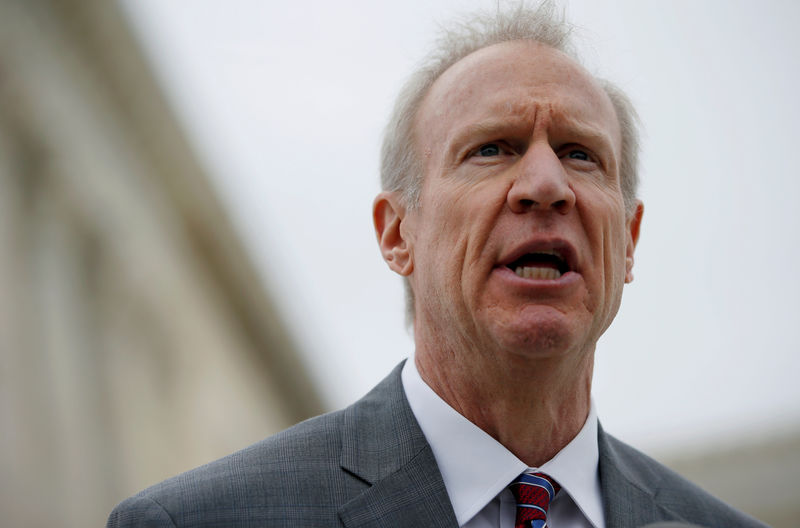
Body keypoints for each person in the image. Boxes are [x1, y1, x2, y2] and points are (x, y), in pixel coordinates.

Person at [107, 3, 768, 527]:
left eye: (580, 154)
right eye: (492, 149)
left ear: (628, 238)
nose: (545, 183)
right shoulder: (205, 521)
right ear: (397, 233)